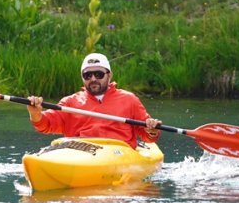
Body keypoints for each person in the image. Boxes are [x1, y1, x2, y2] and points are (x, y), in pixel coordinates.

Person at [26, 52, 162, 149]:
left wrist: (152, 129)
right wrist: (35, 113)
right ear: (82, 78)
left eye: (99, 74)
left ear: (109, 75)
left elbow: (148, 136)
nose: (93, 79)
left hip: (119, 152)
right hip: (80, 151)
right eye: (87, 75)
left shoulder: (129, 99)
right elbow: (45, 125)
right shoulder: (69, 102)